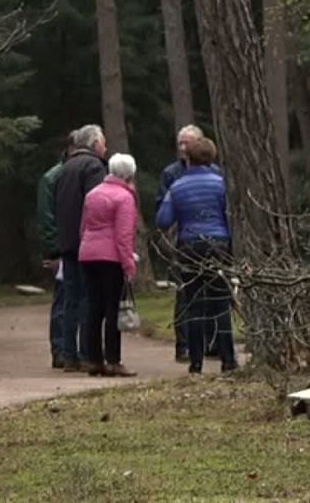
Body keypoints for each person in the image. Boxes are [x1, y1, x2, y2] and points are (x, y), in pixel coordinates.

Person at [156, 137, 238, 374]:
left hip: (189, 247)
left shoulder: (177, 187)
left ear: (187, 159)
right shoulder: (222, 184)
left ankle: (196, 362)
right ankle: (228, 360)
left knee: (193, 304)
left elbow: (163, 220)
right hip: (219, 245)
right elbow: (230, 215)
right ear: (212, 159)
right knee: (221, 303)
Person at [78, 153, 139, 377]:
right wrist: (129, 265)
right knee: (113, 308)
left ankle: (93, 358)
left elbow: (83, 227)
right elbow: (124, 236)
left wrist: (84, 247)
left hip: (88, 254)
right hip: (110, 257)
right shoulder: (124, 198)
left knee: (94, 307)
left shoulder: (92, 194)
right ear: (129, 174)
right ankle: (113, 360)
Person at [54, 124, 107, 372]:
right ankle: (88, 352)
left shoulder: (65, 169)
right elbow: (96, 204)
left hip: (67, 242)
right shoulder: (93, 166)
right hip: (86, 242)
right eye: (103, 143)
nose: (105, 148)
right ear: (94, 144)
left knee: (70, 300)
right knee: (89, 298)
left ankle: (68, 354)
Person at [36, 133, 74, 369]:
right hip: (63, 248)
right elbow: (46, 218)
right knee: (63, 299)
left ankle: (72, 348)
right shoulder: (52, 178)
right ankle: (59, 348)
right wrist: (54, 250)